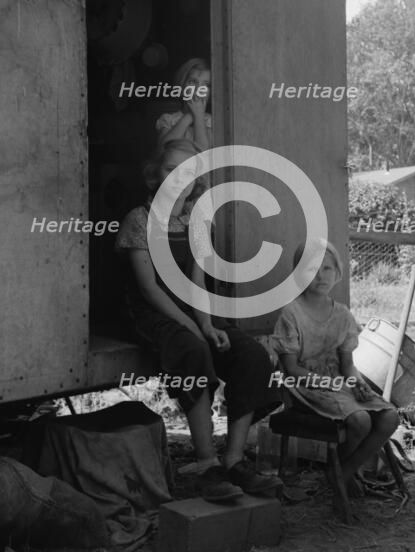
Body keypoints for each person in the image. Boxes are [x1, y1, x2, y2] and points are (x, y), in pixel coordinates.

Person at [115, 139, 282, 502]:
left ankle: (235, 459)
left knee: (249, 354)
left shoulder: (196, 220)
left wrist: (206, 324)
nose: (179, 177)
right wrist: (195, 330)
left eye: (188, 171)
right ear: (153, 175)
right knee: (192, 350)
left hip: (193, 307)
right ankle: (207, 464)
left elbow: (197, 280)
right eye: (169, 168)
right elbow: (150, 291)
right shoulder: (138, 220)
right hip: (151, 311)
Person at [271, 239, 400, 489]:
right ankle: (342, 476)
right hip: (304, 388)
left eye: (327, 269)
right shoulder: (291, 314)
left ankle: (341, 471)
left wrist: (359, 383)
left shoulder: (342, 314)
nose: (321, 276)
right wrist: (329, 383)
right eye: (312, 270)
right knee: (360, 420)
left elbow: (348, 365)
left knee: (389, 417)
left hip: (341, 384)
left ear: (338, 272)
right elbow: (291, 370)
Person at [156, 58, 211, 150]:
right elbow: (164, 151)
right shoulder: (169, 120)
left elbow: (204, 153)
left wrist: (198, 117)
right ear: (182, 86)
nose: (199, 89)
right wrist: (190, 115)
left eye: (206, 85)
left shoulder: (213, 122)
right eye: (193, 82)